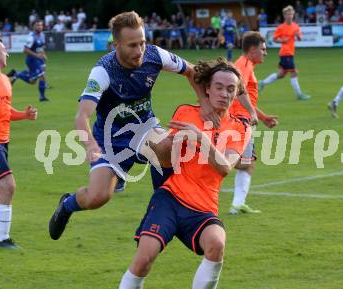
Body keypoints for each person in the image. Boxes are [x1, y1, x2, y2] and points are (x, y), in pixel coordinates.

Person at [48, 11, 223, 241]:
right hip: (110, 140)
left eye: (142, 42)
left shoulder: (154, 55)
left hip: (144, 127)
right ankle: (67, 205)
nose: (139, 51)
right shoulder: (103, 71)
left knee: (168, 147)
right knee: (97, 197)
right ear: (115, 45)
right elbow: (82, 116)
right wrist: (90, 146)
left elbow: (191, 71)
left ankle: (165, 208)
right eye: (132, 45)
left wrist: (204, 102)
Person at [118, 57, 248, 289]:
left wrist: (200, 138)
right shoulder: (186, 112)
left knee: (216, 243)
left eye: (231, 89)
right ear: (207, 88)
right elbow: (165, 156)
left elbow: (225, 167)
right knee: (144, 259)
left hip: (203, 207)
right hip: (170, 198)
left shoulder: (239, 127)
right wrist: (169, 140)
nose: (224, 93)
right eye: (218, 87)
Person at [0, 36, 38, 248]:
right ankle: (3, 240)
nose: (7, 53)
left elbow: (4, 110)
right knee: (9, 185)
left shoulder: (5, 80)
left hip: (3, 141)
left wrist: (24, 115)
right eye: (4, 49)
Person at [228, 32, 278, 214]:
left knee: (248, 163)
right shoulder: (243, 65)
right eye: (263, 50)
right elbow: (239, 92)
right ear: (252, 49)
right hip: (239, 120)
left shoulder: (247, 65)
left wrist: (263, 117)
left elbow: (247, 98)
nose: (265, 53)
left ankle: (237, 205)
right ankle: (208, 159)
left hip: (243, 118)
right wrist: (249, 113)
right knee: (245, 162)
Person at [259, 5, 311, 100]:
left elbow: (300, 38)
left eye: (291, 13)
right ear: (284, 15)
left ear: (293, 14)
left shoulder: (295, 26)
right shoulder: (281, 27)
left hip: (290, 53)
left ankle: (262, 83)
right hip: (285, 53)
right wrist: (282, 41)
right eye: (288, 14)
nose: (290, 15)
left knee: (281, 74)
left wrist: (297, 36)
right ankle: (299, 95)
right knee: (294, 73)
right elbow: (274, 39)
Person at [9, 20, 49, 101]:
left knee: (33, 81)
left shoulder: (42, 35)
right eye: (38, 25)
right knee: (41, 76)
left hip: (38, 59)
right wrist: (37, 55)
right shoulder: (31, 37)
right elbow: (25, 50)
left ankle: (17, 74)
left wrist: (43, 55)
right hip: (32, 60)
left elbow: (40, 47)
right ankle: (42, 97)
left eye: (41, 25)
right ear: (33, 26)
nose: (40, 27)